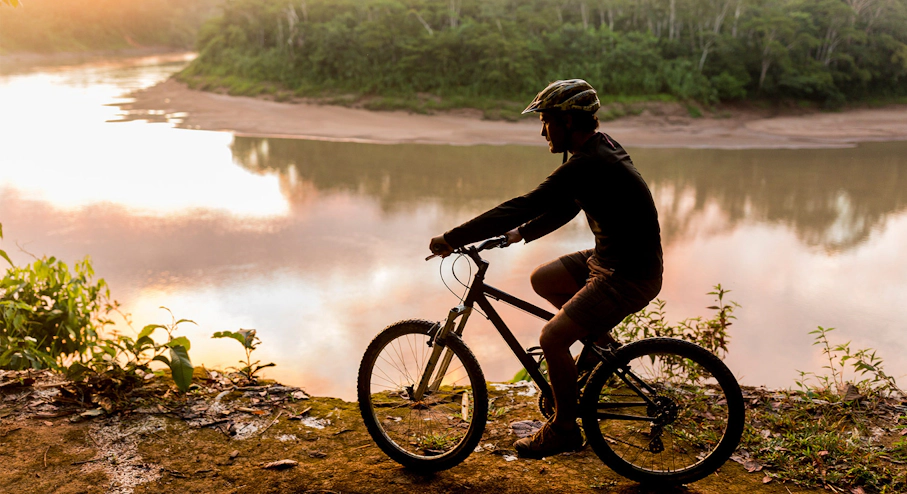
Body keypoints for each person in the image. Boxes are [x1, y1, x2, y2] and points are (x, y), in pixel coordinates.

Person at [428, 79, 663, 459]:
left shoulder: (588, 162)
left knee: (553, 338)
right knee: (544, 279)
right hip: (612, 259)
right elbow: (568, 205)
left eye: (546, 121)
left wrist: (453, 237)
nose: (542, 131)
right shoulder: (599, 149)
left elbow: (525, 204)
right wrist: (519, 234)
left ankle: (564, 429)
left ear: (568, 121)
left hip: (627, 274)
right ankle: (600, 344)